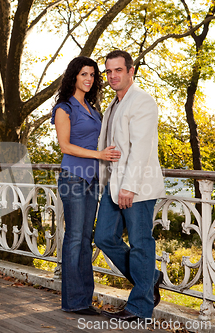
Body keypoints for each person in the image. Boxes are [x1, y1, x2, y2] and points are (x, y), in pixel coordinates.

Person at [94, 50, 165, 322]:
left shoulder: (142, 101)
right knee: (104, 238)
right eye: (109, 71)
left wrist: (129, 187)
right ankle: (151, 277)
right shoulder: (113, 104)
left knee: (140, 244)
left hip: (136, 188)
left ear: (130, 71)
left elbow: (141, 148)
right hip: (113, 185)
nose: (112, 76)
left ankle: (139, 308)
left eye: (118, 70)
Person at [52, 56, 121, 315]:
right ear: (74, 76)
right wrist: (99, 156)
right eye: (84, 74)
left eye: (92, 75)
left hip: (92, 180)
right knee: (74, 238)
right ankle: (74, 302)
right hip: (73, 178)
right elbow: (65, 146)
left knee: (85, 238)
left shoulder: (93, 108)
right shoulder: (64, 108)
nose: (89, 79)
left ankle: (83, 299)